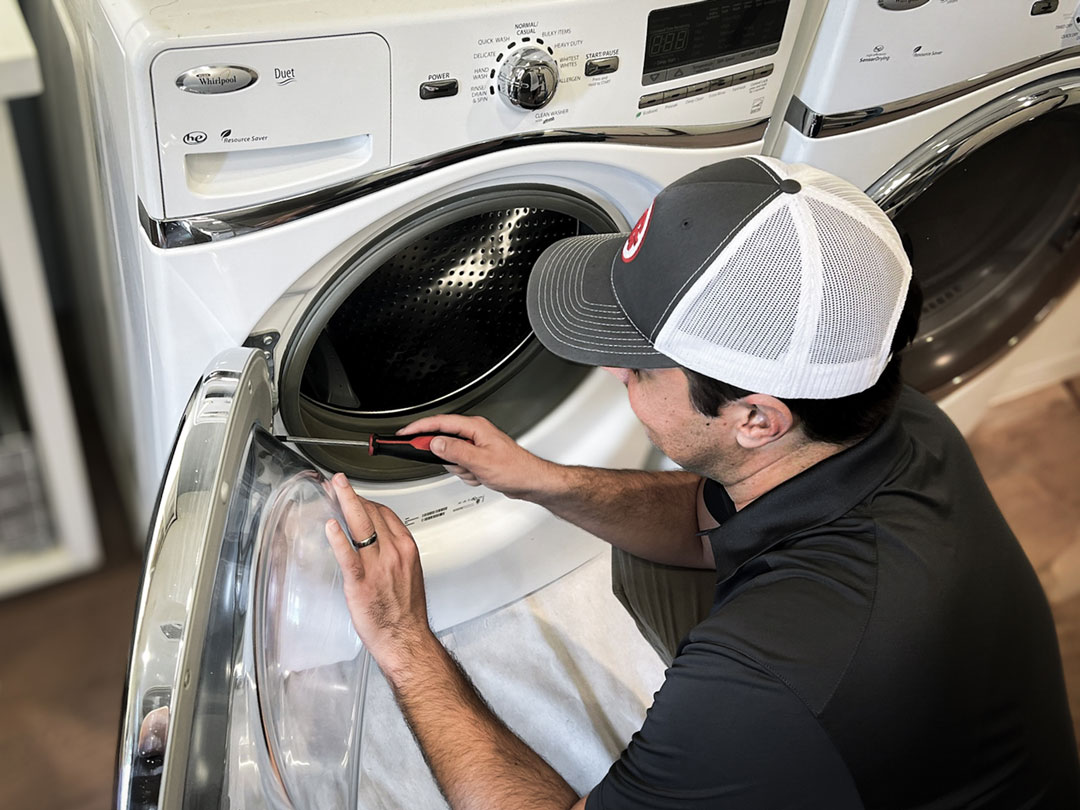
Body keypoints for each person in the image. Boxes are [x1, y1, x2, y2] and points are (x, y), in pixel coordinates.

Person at [324, 156, 1080, 809]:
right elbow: (703, 522)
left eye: (642, 364)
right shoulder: (897, 420)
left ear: (756, 419)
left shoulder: (768, 675)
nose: (612, 371)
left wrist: (402, 640)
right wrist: (537, 479)